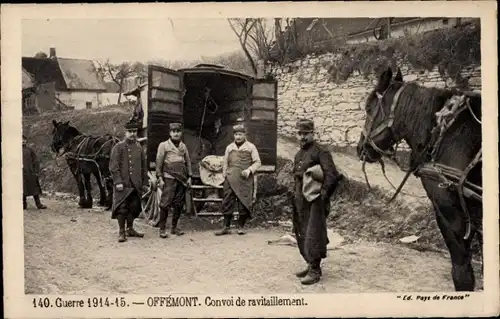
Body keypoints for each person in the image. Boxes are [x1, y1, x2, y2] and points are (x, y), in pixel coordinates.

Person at [292, 119, 344, 285]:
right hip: (300, 198)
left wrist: (323, 196)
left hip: (315, 200)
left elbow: (332, 175)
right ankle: (310, 263)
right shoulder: (299, 154)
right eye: (299, 133)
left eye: (306, 134)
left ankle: (315, 270)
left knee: (314, 233)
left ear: (313, 134)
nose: (302, 137)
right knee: (302, 231)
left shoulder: (321, 152)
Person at [215, 121, 261, 236]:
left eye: (240, 134)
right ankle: (226, 227)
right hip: (230, 178)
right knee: (227, 201)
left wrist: (249, 170)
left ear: (245, 135)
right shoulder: (229, 147)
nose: (238, 137)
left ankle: (241, 226)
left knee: (243, 202)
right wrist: (225, 175)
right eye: (236, 134)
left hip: (244, 179)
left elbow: (257, 162)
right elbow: (225, 162)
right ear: (233, 135)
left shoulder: (251, 147)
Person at [109, 120, 148, 243]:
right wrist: (118, 181)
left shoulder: (139, 147)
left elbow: (143, 166)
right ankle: (121, 231)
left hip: (135, 184)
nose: (132, 134)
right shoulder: (118, 147)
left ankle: (130, 228)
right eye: (130, 131)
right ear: (125, 132)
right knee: (122, 207)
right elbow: (113, 166)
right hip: (123, 184)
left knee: (134, 207)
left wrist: (144, 183)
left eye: (134, 131)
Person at [155, 122, 192, 238]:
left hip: (182, 179)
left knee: (179, 204)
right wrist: (159, 177)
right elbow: (159, 162)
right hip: (169, 177)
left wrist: (190, 176)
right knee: (165, 203)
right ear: (170, 133)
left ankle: (174, 228)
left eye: (178, 132)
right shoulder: (164, 145)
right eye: (173, 132)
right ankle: (162, 229)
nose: (176, 134)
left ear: (181, 133)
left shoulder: (183, 146)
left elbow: (188, 162)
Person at [23, 135, 47, 210]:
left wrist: (36, 171)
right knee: (22, 189)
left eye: (24, 140)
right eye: (21, 140)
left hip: (31, 172)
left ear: (26, 141)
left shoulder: (30, 150)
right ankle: (23, 204)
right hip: (21, 173)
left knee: (35, 189)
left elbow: (35, 161)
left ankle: (38, 204)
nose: (23, 141)